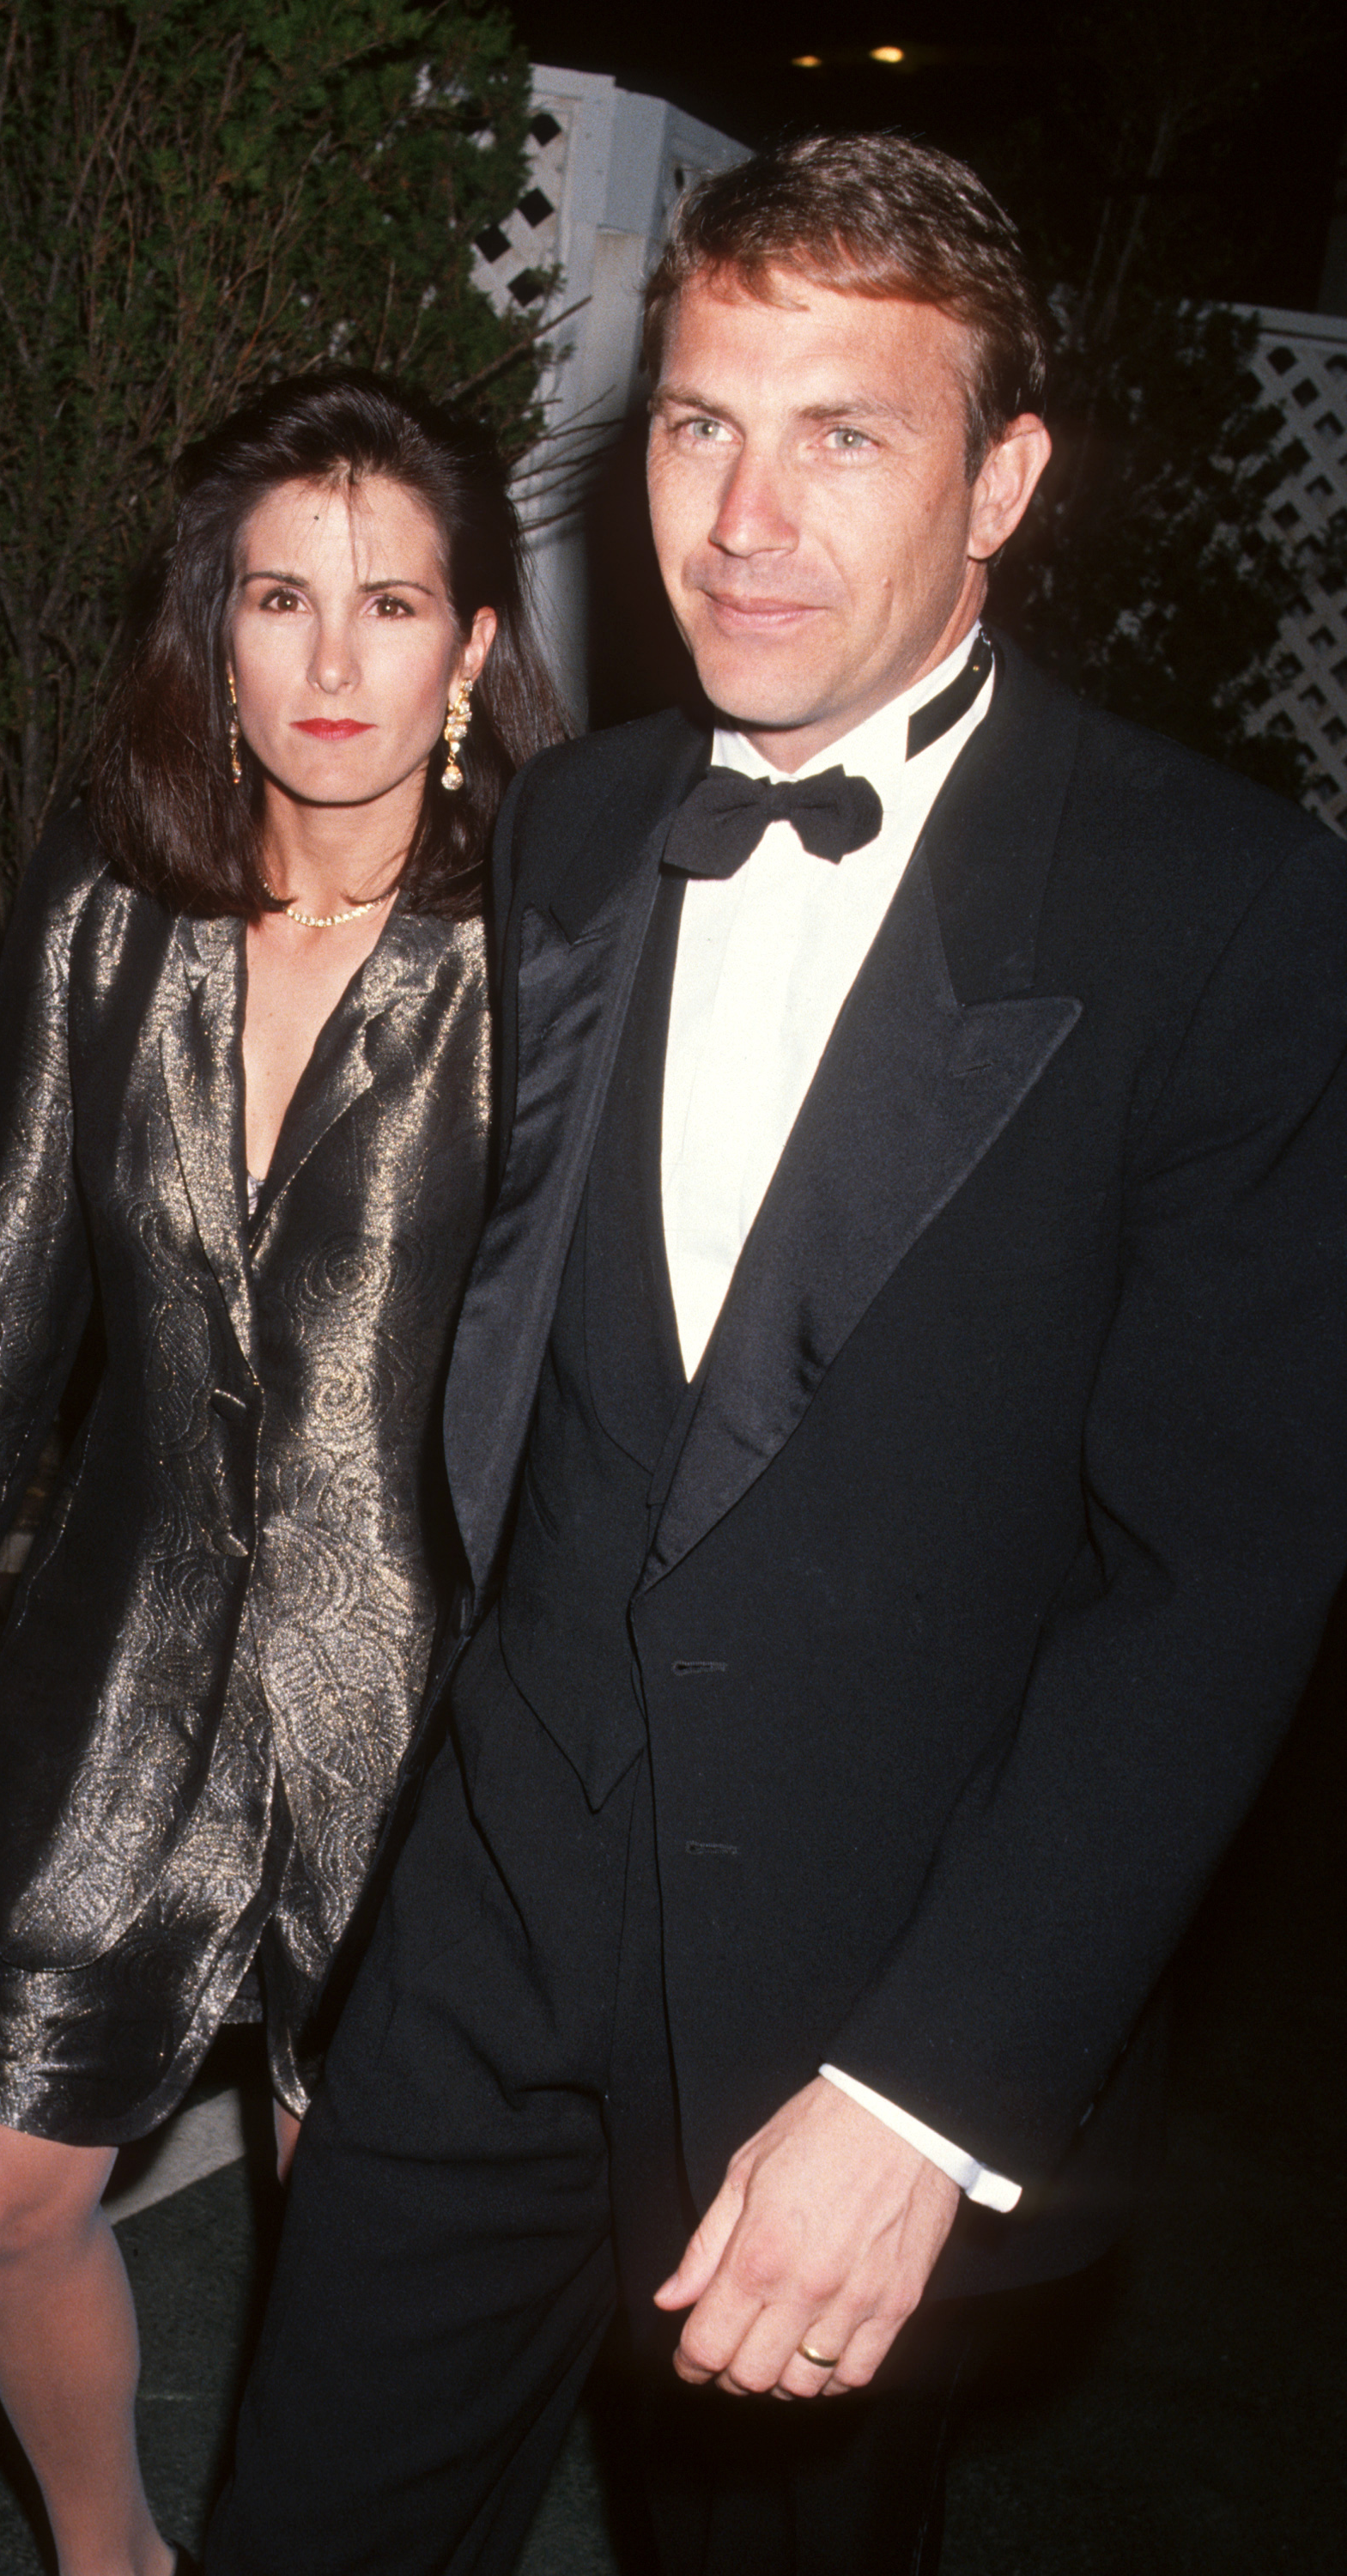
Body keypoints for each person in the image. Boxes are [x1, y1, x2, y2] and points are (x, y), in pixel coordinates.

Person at [203, 137, 1347, 2576]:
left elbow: (1219, 1571)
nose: (742, 515)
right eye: (700, 425)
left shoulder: (1219, 911)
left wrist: (929, 2091)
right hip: (485, 1925)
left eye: (845, 434)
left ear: (1002, 478)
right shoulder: (587, 822)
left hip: (847, 2000)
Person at [0, 370, 567, 2576]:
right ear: (208, 635)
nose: (334, 661)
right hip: (120, 1649)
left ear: (476, 649)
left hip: (414, 1685)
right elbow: (9, 1264)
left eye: (392, 602)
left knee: (361, 2264)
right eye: (280, 598)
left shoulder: (551, 955)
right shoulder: (106, 908)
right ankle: (111, 2556)